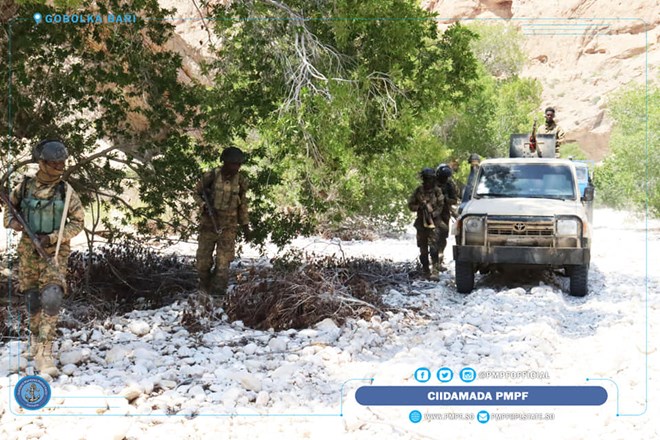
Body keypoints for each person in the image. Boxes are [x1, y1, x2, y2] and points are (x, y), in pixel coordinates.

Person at [3, 139, 85, 377]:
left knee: (51, 296)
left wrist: (52, 238)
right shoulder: (24, 187)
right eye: (55, 163)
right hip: (28, 251)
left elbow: (78, 222)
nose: (60, 167)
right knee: (32, 298)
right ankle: (35, 339)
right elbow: (9, 209)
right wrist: (13, 223)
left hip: (55, 252)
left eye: (62, 163)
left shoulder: (66, 192)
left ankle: (46, 351)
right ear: (42, 163)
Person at [195, 146, 250, 297]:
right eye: (233, 163)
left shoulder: (241, 181)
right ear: (225, 162)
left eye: (238, 164)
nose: (236, 167)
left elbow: (243, 205)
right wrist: (203, 205)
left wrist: (245, 226)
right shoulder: (212, 176)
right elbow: (196, 192)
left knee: (223, 263)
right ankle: (204, 289)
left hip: (228, 227)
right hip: (208, 225)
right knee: (202, 262)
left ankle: (217, 295)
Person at [407, 168, 447, 279]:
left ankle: (435, 270)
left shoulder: (437, 191)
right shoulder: (419, 191)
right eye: (426, 179)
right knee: (423, 249)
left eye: (430, 179)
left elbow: (441, 205)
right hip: (421, 223)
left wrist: (433, 213)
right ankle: (426, 271)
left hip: (434, 223)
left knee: (434, 248)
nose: (428, 181)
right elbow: (411, 205)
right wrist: (420, 207)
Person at [435, 163, 459, 269]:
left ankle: (439, 259)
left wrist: (446, 199)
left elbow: (454, 200)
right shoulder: (431, 183)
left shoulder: (449, 184)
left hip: (444, 213)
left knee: (443, 236)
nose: (444, 179)